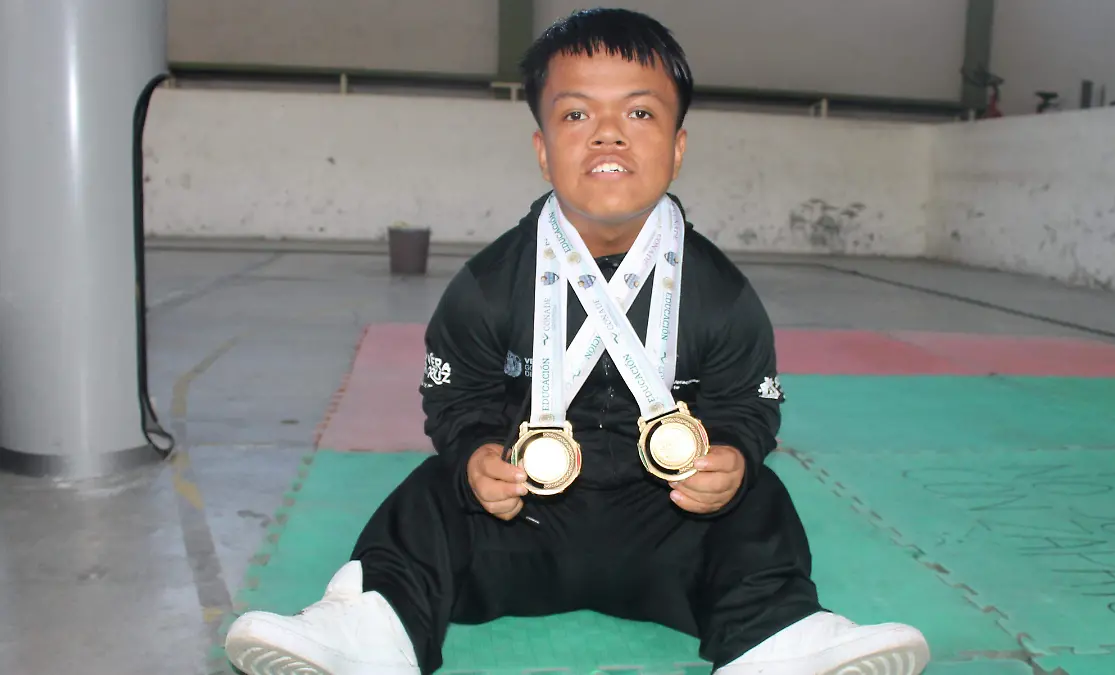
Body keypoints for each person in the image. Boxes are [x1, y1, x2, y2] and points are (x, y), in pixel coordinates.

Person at [224, 8, 930, 675]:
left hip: (670, 530)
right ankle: (371, 631)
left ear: (678, 147)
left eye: (641, 112)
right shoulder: (487, 284)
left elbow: (749, 403)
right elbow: (453, 395)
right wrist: (474, 458)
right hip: (518, 522)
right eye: (575, 113)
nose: (608, 133)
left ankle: (776, 635)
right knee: (431, 495)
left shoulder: (721, 294)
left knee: (760, 501)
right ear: (542, 148)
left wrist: (733, 458)